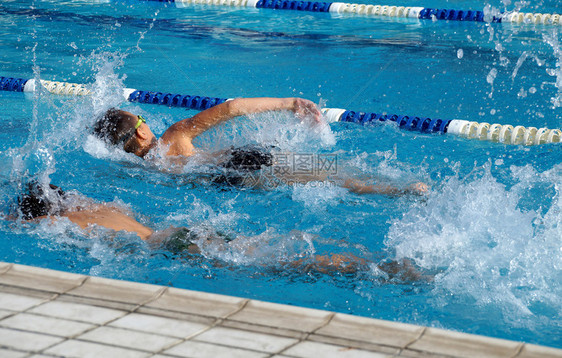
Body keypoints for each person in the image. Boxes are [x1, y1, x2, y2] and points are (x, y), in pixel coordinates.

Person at [14, 182, 430, 280]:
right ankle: (371, 260)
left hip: (176, 246)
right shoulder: (103, 207)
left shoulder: (58, 222)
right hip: (186, 229)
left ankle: (377, 272)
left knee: (281, 264)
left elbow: (23, 224)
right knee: (269, 247)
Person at [92, 97, 429, 195]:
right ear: (140, 133)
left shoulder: (133, 170)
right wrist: (289, 102)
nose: (145, 119)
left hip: (227, 184)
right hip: (245, 160)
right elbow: (232, 108)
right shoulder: (174, 136)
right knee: (334, 175)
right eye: (140, 119)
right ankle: (398, 191)